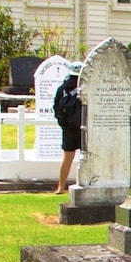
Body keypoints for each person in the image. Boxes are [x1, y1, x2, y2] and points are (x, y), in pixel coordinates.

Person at [53, 61, 85, 194]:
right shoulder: (86, 88)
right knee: (87, 158)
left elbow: (56, 108)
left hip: (69, 128)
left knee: (67, 157)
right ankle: (86, 184)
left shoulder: (62, 89)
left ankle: (60, 187)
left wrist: (64, 124)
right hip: (84, 127)